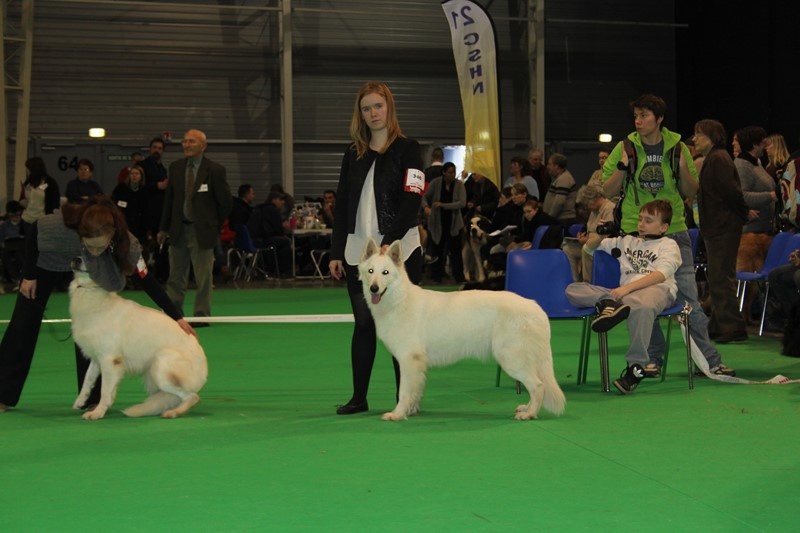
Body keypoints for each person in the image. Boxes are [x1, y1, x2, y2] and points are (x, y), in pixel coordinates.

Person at [0, 195, 194, 413]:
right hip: (50, 260)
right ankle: (3, 394)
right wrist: (28, 275)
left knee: (95, 330)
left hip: (94, 270)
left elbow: (146, 279)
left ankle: (93, 399)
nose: (93, 250)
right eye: (89, 245)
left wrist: (176, 315)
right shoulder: (61, 227)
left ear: (111, 237)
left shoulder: (126, 243)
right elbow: (34, 231)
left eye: (98, 247)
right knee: (22, 324)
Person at [602, 93, 735, 375]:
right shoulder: (624, 147)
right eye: (636, 116)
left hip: (673, 233)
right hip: (634, 235)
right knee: (640, 299)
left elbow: (690, 191)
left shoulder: (677, 147)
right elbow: (608, 191)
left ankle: (709, 362)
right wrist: (623, 168)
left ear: (659, 119)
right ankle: (652, 358)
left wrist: (685, 169)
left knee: (689, 301)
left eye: (644, 116)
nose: (638, 121)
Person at [329, 81, 424, 415]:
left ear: (389, 108)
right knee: (364, 324)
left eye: (378, 106)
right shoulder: (351, 153)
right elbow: (341, 205)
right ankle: (359, 398)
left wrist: (389, 244)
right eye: (366, 108)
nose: (373, 113)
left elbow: (413, 200)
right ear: (360, 114)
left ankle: (406, 399)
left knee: (401, 329)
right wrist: (336, 251)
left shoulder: (410, 149)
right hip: (359, 253)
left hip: (401, 253)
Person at [567, 200, 682, 394]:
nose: (641, 224)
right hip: (625, 295)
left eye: (648, 220)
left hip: (657, 289)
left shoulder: (668, 244)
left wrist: (626, 290)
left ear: (663, 227)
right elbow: (589, 249)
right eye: (640, 219)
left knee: (642, 306)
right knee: (573, 289)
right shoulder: (626, 241)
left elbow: (660, 275)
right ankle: (608, 303)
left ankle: (636, 367)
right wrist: (601, 232)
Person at [157, 129, 232, 325]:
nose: (187, 145)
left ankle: (202, 314)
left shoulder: (215, 170)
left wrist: (213, 224)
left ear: (203, 146)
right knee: (175, 276)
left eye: (191, 142)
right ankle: (174, 313)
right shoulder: (175, 167)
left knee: (203, 277)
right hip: (178, 229)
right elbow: (169, 200)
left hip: (202, 231)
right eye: (184, 141)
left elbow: (225, 203)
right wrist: (163, 228)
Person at [693, 119, 749, 343]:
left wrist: (741, 214)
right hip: (718, 226)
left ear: (712, 137)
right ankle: (719, 324)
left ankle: (732, 326)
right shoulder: (715, 158)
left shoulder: (718, 159)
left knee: (721, 277)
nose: (695, 139)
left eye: (699, 134)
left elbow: (732, 193)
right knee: (718, 277)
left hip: (722, 227)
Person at [734, 126, 776, 326]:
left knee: (755, 284)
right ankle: (741, 316)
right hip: (749, 233)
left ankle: (750, 316)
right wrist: (770, 196)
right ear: (755, 144)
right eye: (763, 142)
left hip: (762, 231)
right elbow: (741, 196)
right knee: (747, 281)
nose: (766, 145)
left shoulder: (757, 163)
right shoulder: (742, 164)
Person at [422, 161, 466, 283]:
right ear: (444, 173)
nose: (452, 175)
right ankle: (436, 277)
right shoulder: (436, 183)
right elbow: (425, 197)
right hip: (438, 223)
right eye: (450, 172)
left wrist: (443, 205)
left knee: (456, 252)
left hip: (454, 223)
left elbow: (462, 203)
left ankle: (459, 278)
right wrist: (426, 207)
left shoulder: (459, 185)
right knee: (437, 252)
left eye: (454, 172)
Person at [562, 183, 615, 282]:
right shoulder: (594, 211)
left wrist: (588, 240)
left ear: (594, 199)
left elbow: (608, 235)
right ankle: (574, 281)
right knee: (567, 249)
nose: (586, 207)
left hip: (602, 245)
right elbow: (588, 228)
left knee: (587, 248)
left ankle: (588, 283)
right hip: (589, 242)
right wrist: (583, 235)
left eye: (587, 204)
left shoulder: (609, 209)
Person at [246, 190, 292, 275]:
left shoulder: (260, 208)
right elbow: (279, 231)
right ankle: (284, 271)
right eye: (280, 199)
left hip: (251, 240)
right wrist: (284, 226)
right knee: (286, 241)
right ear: (273, 200)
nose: (283, 202)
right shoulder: (273, 210)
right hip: (261, 240)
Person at [19, 157, 61, 233]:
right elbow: (22, 197)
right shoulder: (28, 183)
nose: (27, 171)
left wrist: (51, 220)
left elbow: (55, 204)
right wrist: (21, 202)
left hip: (42, 221)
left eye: (28, 169)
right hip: (27, 220)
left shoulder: (50, 183)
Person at [111, 164, 149, 245]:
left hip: (139, 227)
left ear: (141, 176)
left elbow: (147, 211)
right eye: (132, 173)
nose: (134, 176)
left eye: (137, 174)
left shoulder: (145, 191)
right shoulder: (121, 188)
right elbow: (113, 203)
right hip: (123, 225)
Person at [542, 152, 578, 227]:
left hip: (563, 220)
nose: (547, 167)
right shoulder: (558, 178)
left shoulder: (564, 179)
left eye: (549, 164)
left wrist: (550, 218)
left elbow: (559, 202)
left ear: (556, 166)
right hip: (560, 219)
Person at [0, 201, 25, 285]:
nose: (15, 217)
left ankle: (21, 278)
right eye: (12, 216)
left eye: (17, 215)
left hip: (21, 248)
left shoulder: (24, 224)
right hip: (8, 248)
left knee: (19, 255)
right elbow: (1, 239)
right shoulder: (4, 225)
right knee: (4, 255)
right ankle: (16, 278)